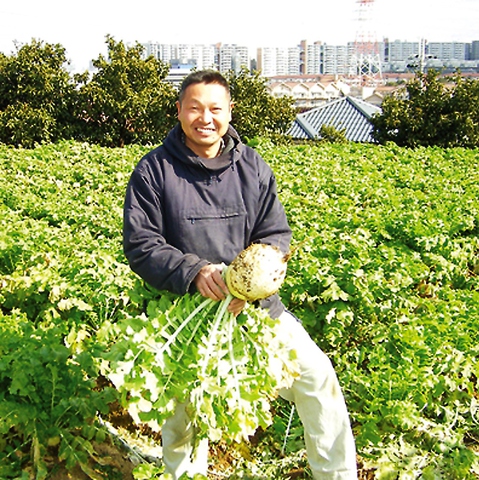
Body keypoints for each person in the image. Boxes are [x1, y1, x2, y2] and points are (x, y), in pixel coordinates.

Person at [122, 69, 357, 479]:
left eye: (215, 108)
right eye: (194, 108)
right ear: (179, 111)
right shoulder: (154, 170)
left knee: (317, 378)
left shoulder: (252, 166)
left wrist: (249, 286)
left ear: (230, 111)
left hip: (255, 308)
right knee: (183, 419)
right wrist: (195, 272)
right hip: (187, 313)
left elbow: (275, 234)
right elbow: (142, 245)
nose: (205, 118)